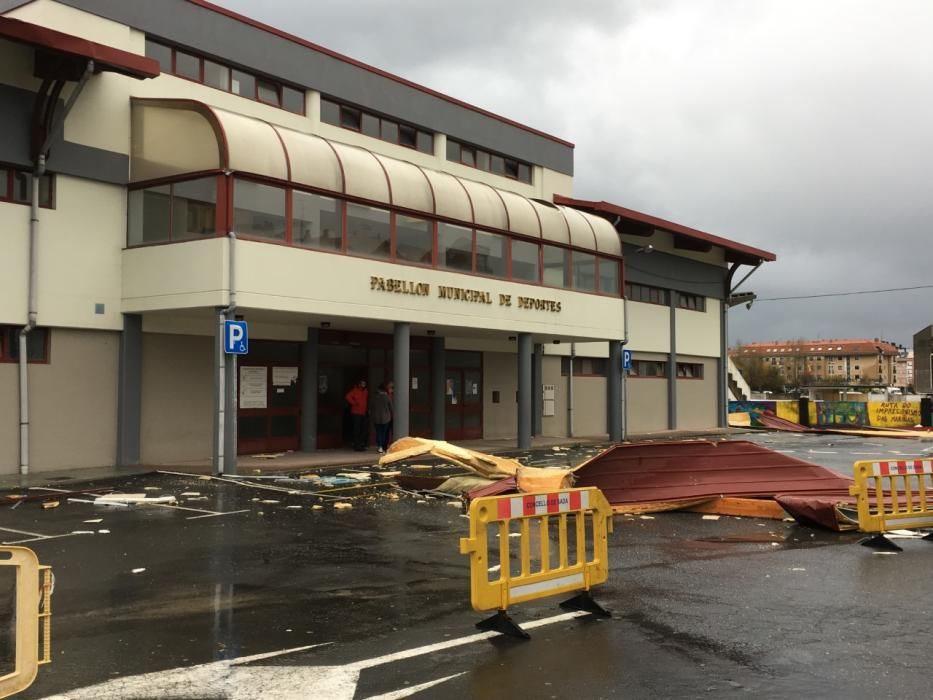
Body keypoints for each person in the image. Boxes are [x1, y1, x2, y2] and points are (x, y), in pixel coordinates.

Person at [344, 379, 368, 451]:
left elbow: (366, 400)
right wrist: (354, 403)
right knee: (356, 429)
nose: (364, 385)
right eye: (362, 383)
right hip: (356, 413)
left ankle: (362, 444)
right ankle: (357, 445)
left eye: (364, 383)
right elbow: (347, 396)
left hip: (363, 413)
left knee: (363, 430)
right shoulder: (355, 390)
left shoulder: (366, 391)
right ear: (359, 384)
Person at [371, 382, 393, 453]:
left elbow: (372, 408)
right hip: (386, 418)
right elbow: (391, 408)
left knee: (378, 433)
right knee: (385, 433)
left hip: (376, 418)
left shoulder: (375, 397)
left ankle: (380, 446)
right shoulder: (387, 398)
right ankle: (384, 447)